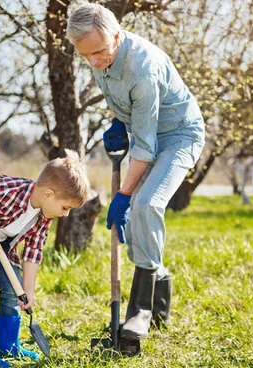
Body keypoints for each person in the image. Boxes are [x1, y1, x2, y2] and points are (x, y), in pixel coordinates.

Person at [67, 4, 205, 341]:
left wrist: (124, 195)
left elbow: (144, 146)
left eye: (99, 52)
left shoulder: (143, 68)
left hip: (178, 135)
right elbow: (116, 96)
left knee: (145, 205)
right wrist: (117, 121)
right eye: (86, 56)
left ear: (117, 36)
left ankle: (139, 312)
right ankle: (157, 308)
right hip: (148, 132)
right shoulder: (98, 54)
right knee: (138, 224)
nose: (95, 63)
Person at [0, 149, 90, 368]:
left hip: (0, 242)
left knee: (12, 288)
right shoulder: (9, 190)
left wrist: (28, 290)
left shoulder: (44, 216)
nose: (65, 214)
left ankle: (7, 345)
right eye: (65, 207)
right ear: (48, 194)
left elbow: (33, 251)